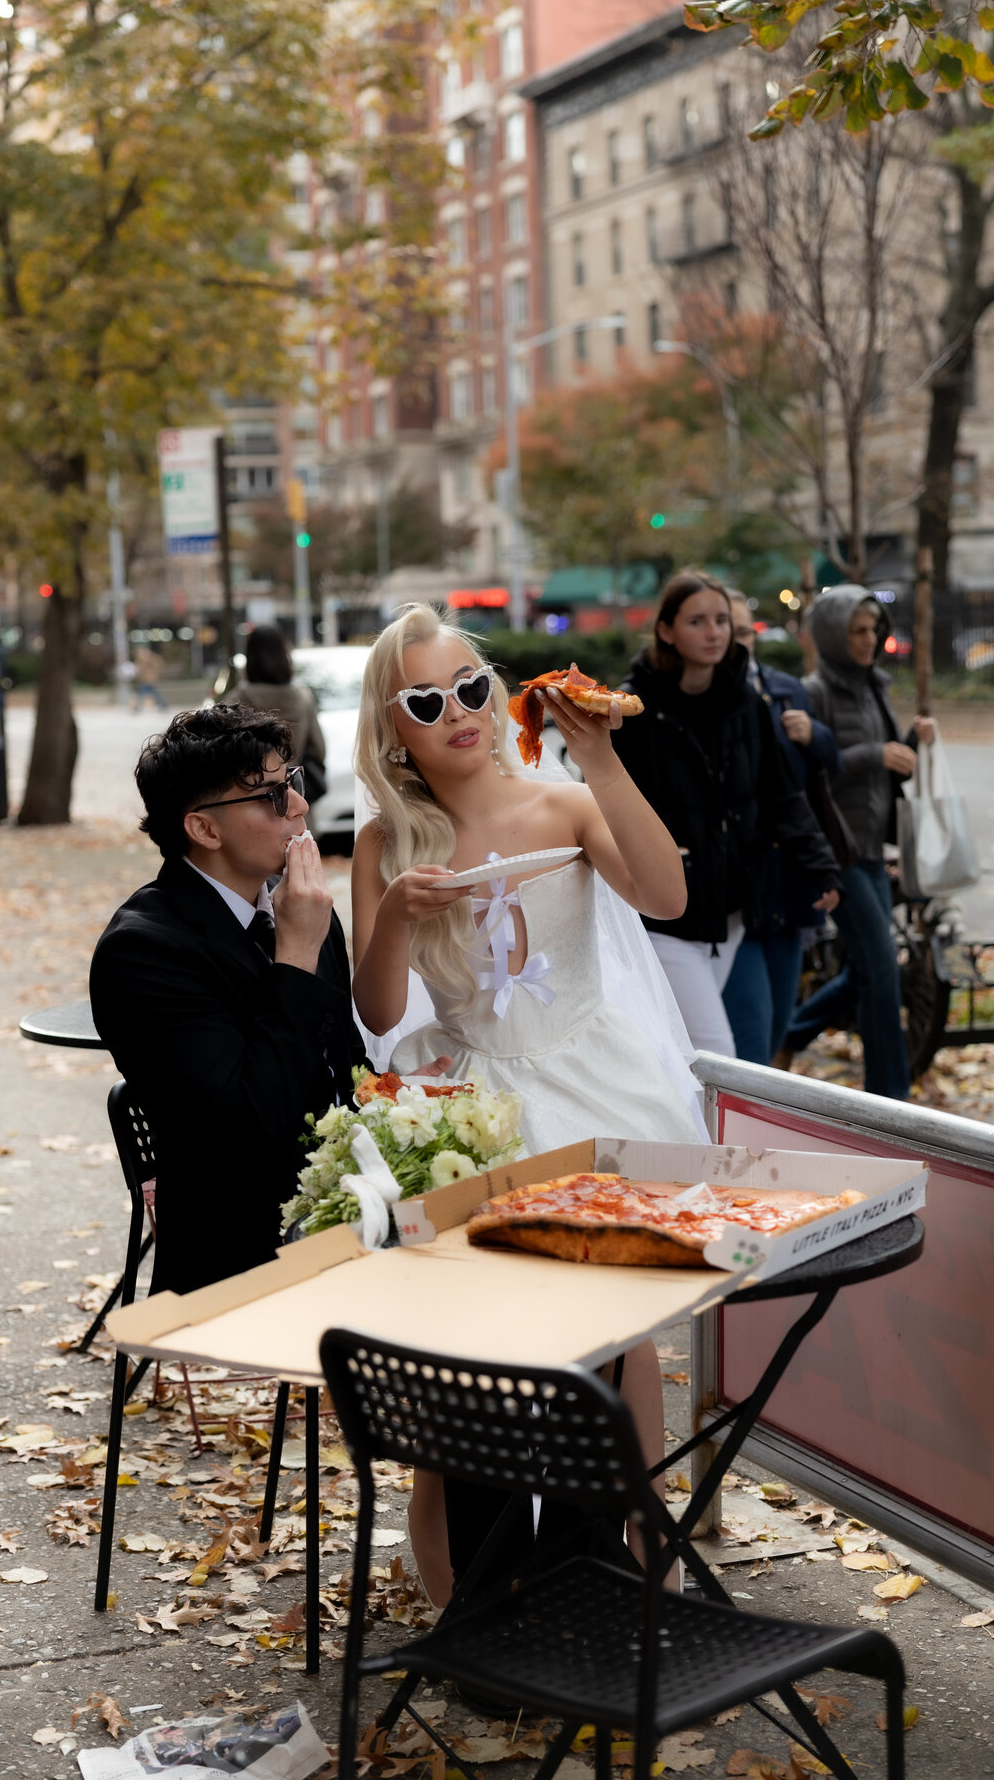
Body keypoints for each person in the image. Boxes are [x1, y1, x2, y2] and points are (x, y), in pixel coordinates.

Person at [350, 601, 700, 1605]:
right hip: (473, 1097)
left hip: (595, 1081)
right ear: (394, 728)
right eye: (427, 700)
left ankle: (640, 1563)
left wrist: (602, 764)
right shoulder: (386, 840)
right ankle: (466, 1582)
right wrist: (394, 924)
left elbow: (668, 896)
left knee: (618, 1332)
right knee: (467, 1348)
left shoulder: (561, 805)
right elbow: (376, 1010)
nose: (459, 710)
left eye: (471, 686)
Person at [90, 703, 365, 1297]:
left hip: (357, 1200)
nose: (298, 805)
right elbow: (246, 1128)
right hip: (243, 1241)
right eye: (269, 796)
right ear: (204, 829)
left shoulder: (297, 906)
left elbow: (345, 1064)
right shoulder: (143, 951)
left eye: (291, 781)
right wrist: (293, 956)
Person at [613, 571, 840, 1060]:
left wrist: (821, 866)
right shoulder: (634, 710)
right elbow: (606, 802)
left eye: (721, 620)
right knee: (716, 1053)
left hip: (735, 907)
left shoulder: (745, 703)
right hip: (667, 914)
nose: (714, 632)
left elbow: (781, 794)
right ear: (667, 630)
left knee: (685, 1051)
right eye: (698, 621)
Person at [780, 584, 936, 1099]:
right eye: (858, 632)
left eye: (875, 631)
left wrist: (914, 741)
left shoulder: (876, 686)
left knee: (871, 967)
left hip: (872, 847)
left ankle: (789, 1035)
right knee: (880, 970)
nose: (870, 641)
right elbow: (817, 771)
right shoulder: (814, 691)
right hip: (836, 851)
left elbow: (885, 761)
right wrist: (876, 753)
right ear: (832, 634)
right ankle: (891, 1098)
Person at [721, 593, 843, 1065]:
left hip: (789, 878)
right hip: (739, 887)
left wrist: (814, 734)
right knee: (749, 1032)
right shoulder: (705, 702)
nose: (737, 641)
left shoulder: (786, 688)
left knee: (775, 1024)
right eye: (727, 630)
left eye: (745, 631)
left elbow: (816, 776)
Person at [230, 624, 326, 802]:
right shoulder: (302, 697)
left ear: (251, 657)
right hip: (294, 798)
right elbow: (318, 749)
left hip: (250, 802)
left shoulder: (237, 700)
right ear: (284, 654)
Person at [132, 644, 167, 712]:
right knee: (154, 693)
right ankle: (163, 705)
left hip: (149, 680)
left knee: (142, 693)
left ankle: (136, 706)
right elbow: (140, 670)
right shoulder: (140, 660)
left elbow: (158, 666)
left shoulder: (150, 658)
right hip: (145, 680)